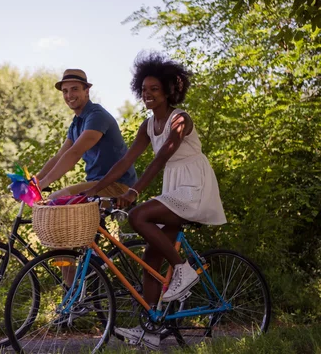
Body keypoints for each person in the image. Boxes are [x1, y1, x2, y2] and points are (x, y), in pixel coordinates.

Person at [82, 53, 227, 349]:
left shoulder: (180, 119)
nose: (147, 95)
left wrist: (134, 192)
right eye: (144, 90)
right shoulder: (147, 126)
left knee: (139, 216)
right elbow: (125, 162)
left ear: (168, 92)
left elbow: (163, 156)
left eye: (154, 90)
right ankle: (150, 328)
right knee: (151, 260)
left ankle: (184, 270)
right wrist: (94, 189)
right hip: (174, 188)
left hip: (194, 186)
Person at [36, 68, 137, 197]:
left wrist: (43, 183)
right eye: (65, 91)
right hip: (96, 185)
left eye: (75, 89)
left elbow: (75, 152)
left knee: (56, 199)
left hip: (117, 185)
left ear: (87, 91)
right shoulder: (77, 123)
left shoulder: (96, 116)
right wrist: (35, 181)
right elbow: (60, 156)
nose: (69, 95)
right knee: (54, 204)